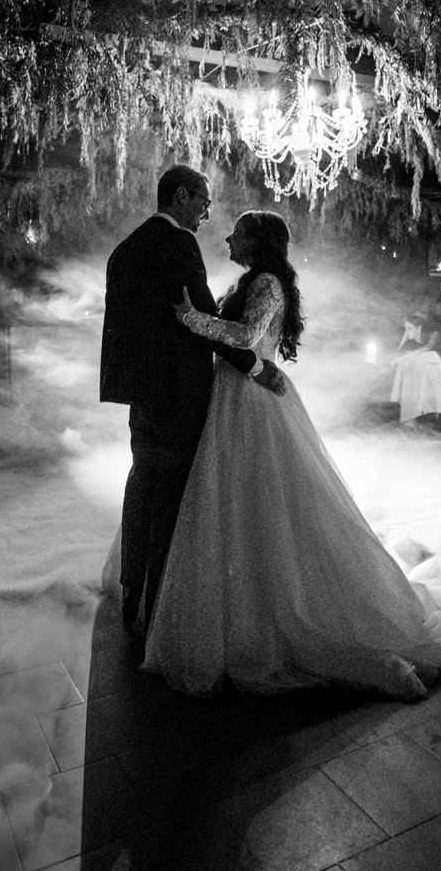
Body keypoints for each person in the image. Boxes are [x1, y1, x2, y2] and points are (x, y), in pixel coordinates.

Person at [145, 210, 441, 698]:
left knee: (274, 503)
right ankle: (253, 600)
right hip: (237, 394)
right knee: (247, 504)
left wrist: (193, 320)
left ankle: (289, 609)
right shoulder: (256, 279)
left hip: (252, 400)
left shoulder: (267, 284)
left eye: (236, 234)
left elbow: (246, 339)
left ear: (256, 242)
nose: (227, 239)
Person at [100, 166, 285, 638]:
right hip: (180, 396)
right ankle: (161, 603)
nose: (207, 212)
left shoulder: (124, 249)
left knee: (141, 482)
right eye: (203, 201)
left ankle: (130, 588)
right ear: (181, 196)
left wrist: (130, 384)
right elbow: (199, 317)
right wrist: (254, 368)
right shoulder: (178, 244)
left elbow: (121, 331)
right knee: (174, 498)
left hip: (142, 397)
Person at [387, 314, 441, 423]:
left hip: (439, 370)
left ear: (419, 328)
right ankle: (410, 415)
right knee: (404, 367)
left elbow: (428, 347)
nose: (407, 331)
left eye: (409, 328)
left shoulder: (433, 334)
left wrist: (403, 358)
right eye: (405, 329)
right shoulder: (410, 342)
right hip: (419, 375)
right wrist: (404, 337)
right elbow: (399, 354)